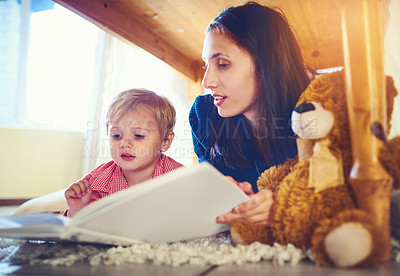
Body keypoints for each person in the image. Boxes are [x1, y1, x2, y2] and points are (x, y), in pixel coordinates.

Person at [189, 2, 310, 226]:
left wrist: (287, 206)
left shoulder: (314, 114)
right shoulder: (203, 115)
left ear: (266, 66)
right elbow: (213, 202)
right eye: (206, 65)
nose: (207, 82)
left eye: (223, 64)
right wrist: (221, 193)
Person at [64, 89, 183, 217]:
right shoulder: (96, 184)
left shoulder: (180, 178)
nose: (124, 143)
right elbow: (78, 232)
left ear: (165, 141)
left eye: (138, 135)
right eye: (117, 135)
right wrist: (76, 210)